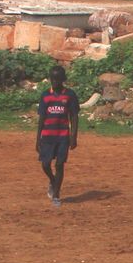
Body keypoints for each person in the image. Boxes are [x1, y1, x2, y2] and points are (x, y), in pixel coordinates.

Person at [36, 65, 79, 207]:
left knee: (60, 164)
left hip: (63, 136)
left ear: (63, 80)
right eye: (53, 79)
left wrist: (73, 136)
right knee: (45, 164)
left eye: (58, 80)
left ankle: (56, 194)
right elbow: (41, 118)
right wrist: (37, 139)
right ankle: (53, 181)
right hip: (47, 136)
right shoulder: (45, 95)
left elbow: (74, 117)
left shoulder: (70, 95)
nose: (55, 82)